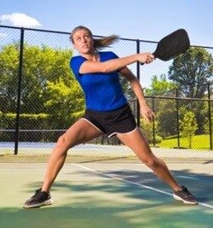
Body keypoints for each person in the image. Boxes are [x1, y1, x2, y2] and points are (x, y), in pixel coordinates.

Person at [24, 26, 198, 208]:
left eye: (86, 36)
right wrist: (136, 56)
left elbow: (132, 79)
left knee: (149, 160)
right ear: (74, 45)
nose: (82, 40)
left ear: (92, 39)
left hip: (120, 116)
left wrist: (143, 103)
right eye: (77, 38)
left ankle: (178, 189)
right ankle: (44, 193)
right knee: (62, 142)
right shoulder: (76, 62)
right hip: (94, 117)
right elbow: (105, 68)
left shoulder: (111, 56)